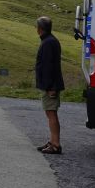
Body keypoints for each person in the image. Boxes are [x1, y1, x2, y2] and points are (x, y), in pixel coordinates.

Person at [35, 15, 65, 154]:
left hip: (51, 86)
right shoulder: (50, 41)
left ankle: (56, 144)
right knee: (50, 112)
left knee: (51, 113)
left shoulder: (48, 43)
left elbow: (49, 67)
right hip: (51, 84)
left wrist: (50, 87)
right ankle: (52, 141)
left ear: (40, 29)